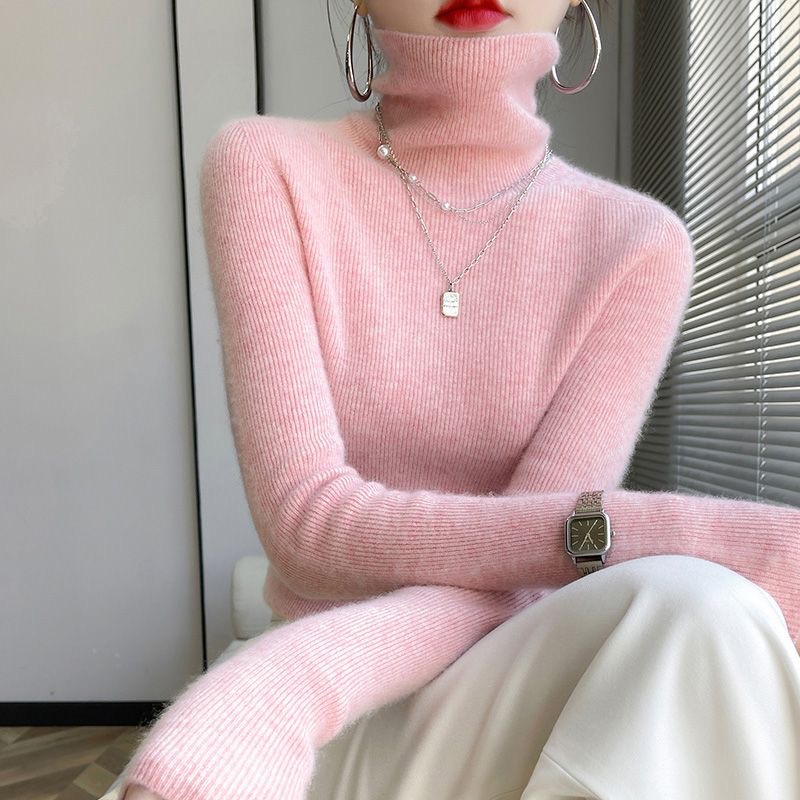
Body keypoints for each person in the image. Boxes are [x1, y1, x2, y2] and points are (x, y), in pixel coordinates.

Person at [117, 1, 800, 798]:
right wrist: (699, 536)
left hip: (496, 671)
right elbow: (307, 526)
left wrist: (291, 687)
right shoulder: (266, 166)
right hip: (336, 689)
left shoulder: (637, 243)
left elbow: (530, 574)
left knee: (707, 611)